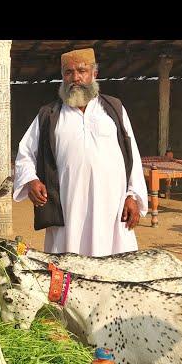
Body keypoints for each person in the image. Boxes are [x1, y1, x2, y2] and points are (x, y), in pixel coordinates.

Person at [13, 48, 148, 256]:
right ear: (62, 77)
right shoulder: (49, 115)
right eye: (68, 72)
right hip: (67, 212)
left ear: (94, 74)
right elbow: (25, 154)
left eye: (82, 71)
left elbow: (133, 158)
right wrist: (31, 180)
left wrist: (133, 196)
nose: (75, 78)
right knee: (69, 272)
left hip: (112, 210)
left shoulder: (114, 109)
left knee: (116, 269)